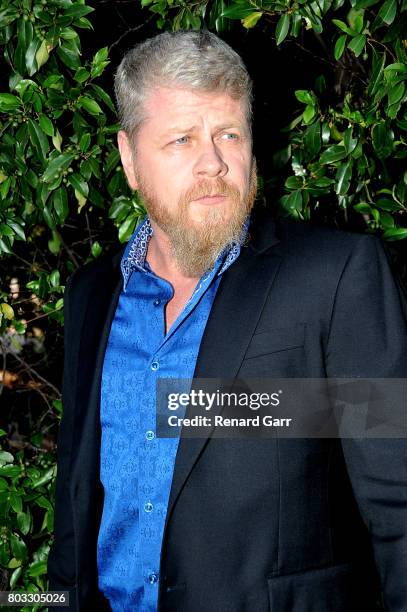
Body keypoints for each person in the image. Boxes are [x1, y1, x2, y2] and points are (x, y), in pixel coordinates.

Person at [47, 30, 407, 611]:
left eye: (228, 134)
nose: (212, 162)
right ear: (128, 158)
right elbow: (76, 503)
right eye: (183, 139)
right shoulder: (91, 294)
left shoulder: (334, 278)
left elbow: (401, 503)